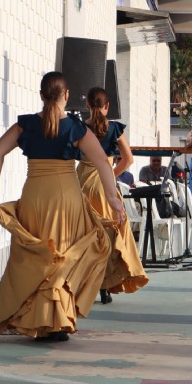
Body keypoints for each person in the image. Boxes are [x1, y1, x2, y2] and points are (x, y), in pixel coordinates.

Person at [0, 72, 123, 342]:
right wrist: (113, 200)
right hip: (66, 196)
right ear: (66, 96)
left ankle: (39, 321)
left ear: (42, 95)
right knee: (65, 256)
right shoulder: (76, 128)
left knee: (38, 256)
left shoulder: (26, 125)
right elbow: (103, 163)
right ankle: (55, 322)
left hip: (34, 195)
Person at [79, 87, 149, 304]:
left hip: (81, 182)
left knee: (84, 235)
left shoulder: (80, 128)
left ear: (87, 106)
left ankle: (81, 285)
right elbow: (128, 159)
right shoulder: (115, 128)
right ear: (107, 106)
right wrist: (109, 173)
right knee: (110, 234)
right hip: (105, 186)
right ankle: (105, 286)